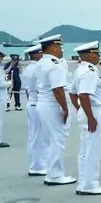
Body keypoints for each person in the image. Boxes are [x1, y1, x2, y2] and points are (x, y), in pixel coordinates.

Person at [34, 34, 77, 187]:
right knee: (58, 140)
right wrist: (64, 108)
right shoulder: (55, 65)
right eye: (59, 47)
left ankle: (51, 172)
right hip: (53, 106)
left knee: (51, 140)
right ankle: (55, 175)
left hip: (43, 103)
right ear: (53, 47)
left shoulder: (41, 62)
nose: (61, 50)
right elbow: (57, 89)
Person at [71, 42, 101, 194]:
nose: (99, 57)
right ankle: (91, 184)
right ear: (91, 55)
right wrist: (90, 116)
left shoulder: (79, 70)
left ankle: (83, 182)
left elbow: (73, 93)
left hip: (86, 110)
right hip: (93, 110)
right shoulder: (90, 72)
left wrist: (80, 109)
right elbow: (83, 95)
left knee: (85, 150)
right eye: (97, 54)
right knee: (93, 149)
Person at [21, 45, 47, 176]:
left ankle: (36, 163)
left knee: (33, 135)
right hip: (37, 103)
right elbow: (41, 88)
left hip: (31, 102)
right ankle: (37, 166)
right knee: (38, 137)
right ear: (36, 54)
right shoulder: (37, 69)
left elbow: (27, 90)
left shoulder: (28, 69)